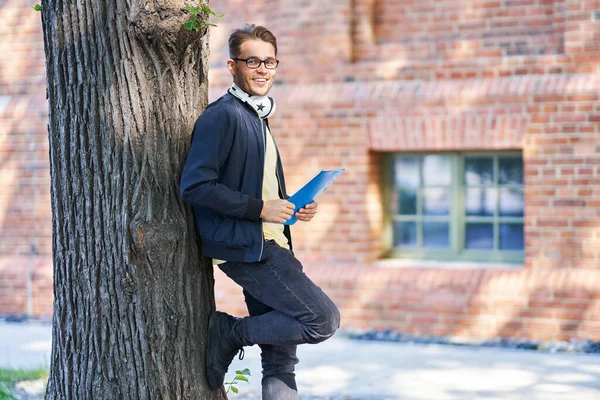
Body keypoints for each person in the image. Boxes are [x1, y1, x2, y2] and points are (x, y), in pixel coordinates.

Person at [180, 24, 340, 399]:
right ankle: (231, 332)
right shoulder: (222, 116)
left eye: (269, 61)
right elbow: (195, 186)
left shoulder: (257, 118)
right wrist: (260, 209)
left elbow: (257, 186)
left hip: (271, 242)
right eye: (253, 60)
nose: (263, 69)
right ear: (233, 66)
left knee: (281, 363)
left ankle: (237, 334)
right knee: (321, 320)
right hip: (250, 249)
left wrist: (292, 205)